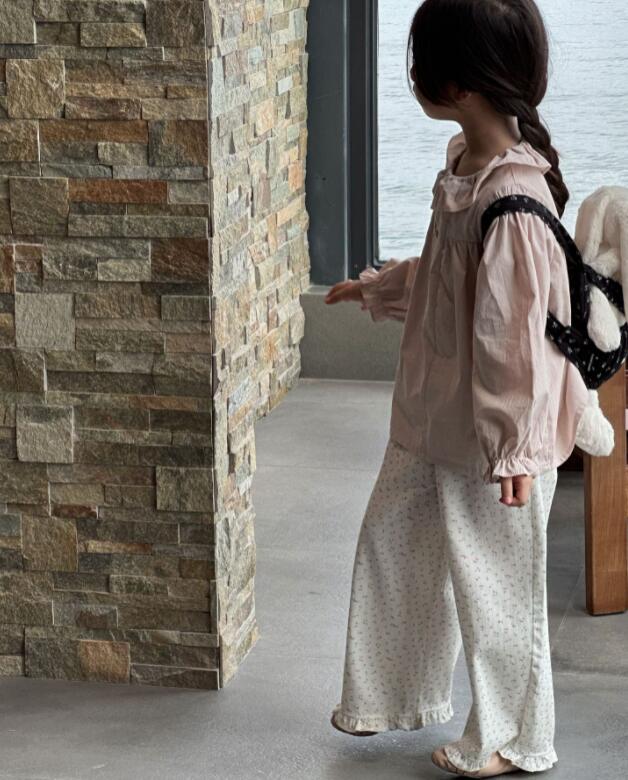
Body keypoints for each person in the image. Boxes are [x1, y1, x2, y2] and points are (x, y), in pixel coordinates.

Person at [324, 0, 591, 777]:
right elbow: (449, 281)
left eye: (420, 63)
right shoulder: (464, 167)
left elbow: (514, 343)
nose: (411, 75)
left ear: (458, 84)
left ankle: (511, 737)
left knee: (496, 591)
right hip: (431, 417)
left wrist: (515, 451)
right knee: (391, 549)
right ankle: (394, 695)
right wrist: (378, 288)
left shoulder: (514, 201)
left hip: (492, 445)